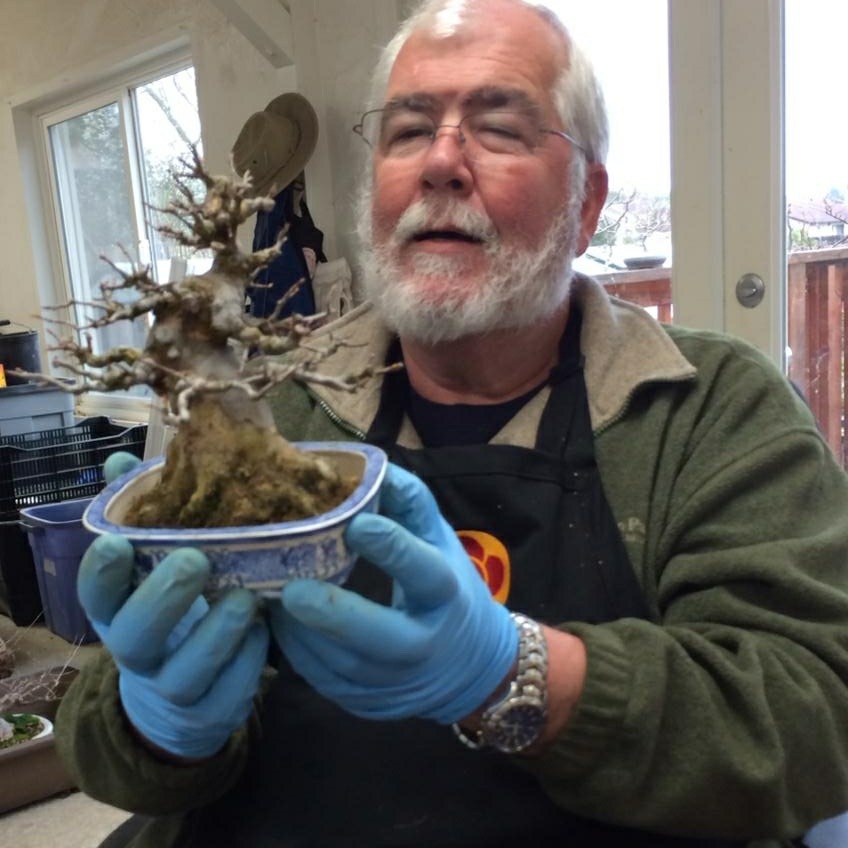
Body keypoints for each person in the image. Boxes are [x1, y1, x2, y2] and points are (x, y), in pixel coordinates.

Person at [55, 1, 848, 846]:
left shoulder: (707, 408)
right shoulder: (270, 409)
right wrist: (159, 725)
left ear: (586, 205)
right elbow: (107, 755)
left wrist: (513, 675)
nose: (441, 162)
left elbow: (818, 721)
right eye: (407, 131)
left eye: (499, 129)